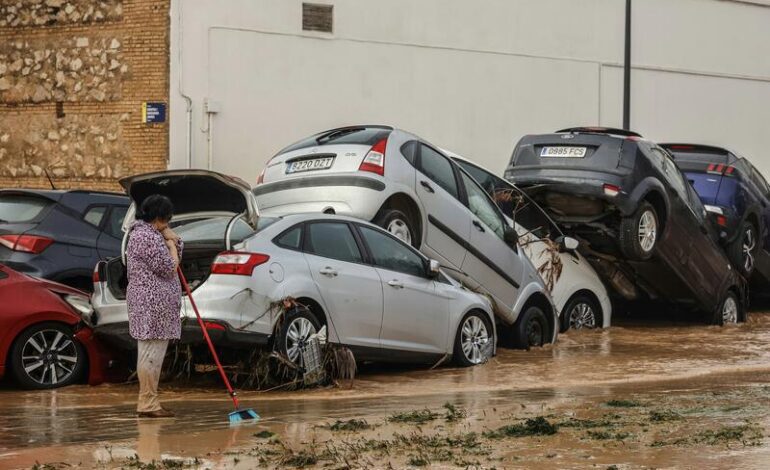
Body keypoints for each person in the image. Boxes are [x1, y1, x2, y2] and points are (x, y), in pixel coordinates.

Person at [126, 194, 183, 418]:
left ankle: (149, 400)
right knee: (151, 352)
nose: (168, 223)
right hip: (152, 304)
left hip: (155, 304)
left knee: (153, 352)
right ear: (159, 217)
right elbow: (168, 267)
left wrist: (173, 240)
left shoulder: (150, 234)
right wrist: (171, 246)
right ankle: (148, 403)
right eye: (167, 219)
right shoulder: (145, 237)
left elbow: (176, 255)